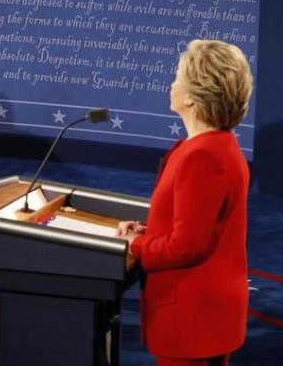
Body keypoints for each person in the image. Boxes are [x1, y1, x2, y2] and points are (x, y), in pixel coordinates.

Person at [117, 39, 253, 366]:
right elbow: (198, 226)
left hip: (194, 316)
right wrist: (149, 232)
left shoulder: (203, 156)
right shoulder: (217, 146)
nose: (172, 84)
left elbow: (187, 246)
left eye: (178, 77)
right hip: (207, 311)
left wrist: (137, 246)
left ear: (192, 97)